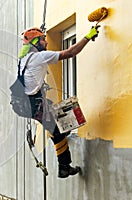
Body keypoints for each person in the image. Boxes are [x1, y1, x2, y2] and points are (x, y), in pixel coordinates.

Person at [18, 26, 99, 178]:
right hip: (33, 104)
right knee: (57, 132)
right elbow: (70, 52)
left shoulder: (25, 58)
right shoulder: (38, 57)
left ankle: (63, 129)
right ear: (35, 42)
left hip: (29, 102)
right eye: (43, 39)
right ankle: (64, 168)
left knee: (53, 113)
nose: (47, 42)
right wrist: (88, 36)